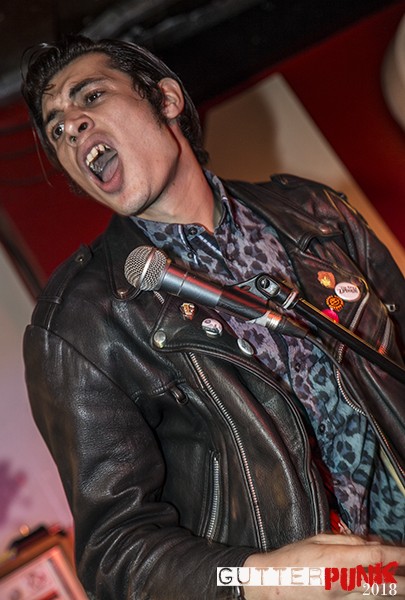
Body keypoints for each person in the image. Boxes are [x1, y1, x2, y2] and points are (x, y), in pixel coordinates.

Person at [21, 34, 405, 600]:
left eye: (92, 97)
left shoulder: (316, 213)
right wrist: (260, 579)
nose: (71, 128)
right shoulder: (78, 324)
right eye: (56, 129)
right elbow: (116, 556)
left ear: (167, 100)